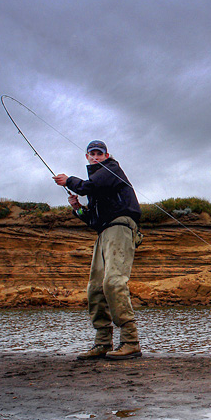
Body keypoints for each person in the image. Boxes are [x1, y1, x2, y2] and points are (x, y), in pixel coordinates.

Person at [53, 140, 143, 361]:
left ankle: (131, 342)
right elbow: (92, 221)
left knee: (113, 282)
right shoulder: (97, 183)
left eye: (99, 153)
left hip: (121, 228)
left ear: (106, 155)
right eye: (91, 154)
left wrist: (69, 181)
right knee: (95, 287)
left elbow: (88, 186)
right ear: (87, 157)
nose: (95, 156)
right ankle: (103, 342)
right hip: (103, 233)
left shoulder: (111, 169)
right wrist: (78, 209)